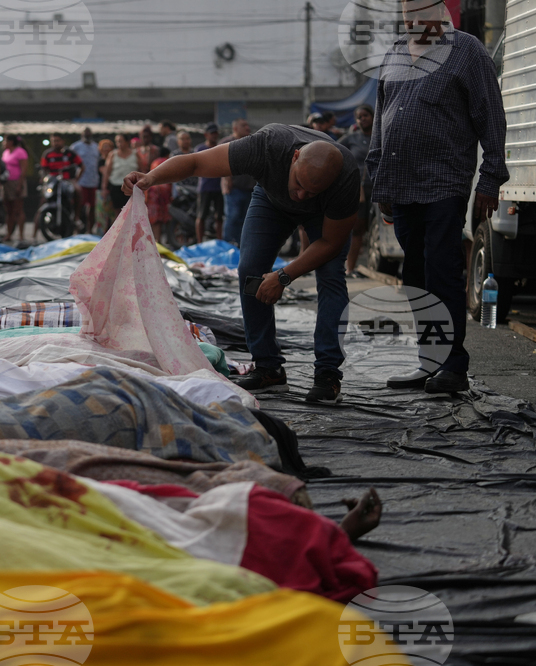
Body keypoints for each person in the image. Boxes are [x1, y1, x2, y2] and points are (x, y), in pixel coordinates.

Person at [125, 123, 361, 404]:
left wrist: (283, 276)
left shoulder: (345, 176)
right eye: (298, 184)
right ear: (294, 157)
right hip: (271, 201)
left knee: (331, 276)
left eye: (312, 192)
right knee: (250, 269)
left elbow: (331, 243)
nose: (301, 196)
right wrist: (151, 177)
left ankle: (327, 374)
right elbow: (195, 163)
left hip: (322, 216)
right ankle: (268, 366)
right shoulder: (266, 147)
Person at [368, 0, 509, 394]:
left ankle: (452, 366)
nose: (414, 19)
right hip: (400, 184)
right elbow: (381, 118)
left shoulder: (466, 51)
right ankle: (429, 362)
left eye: (422, 10)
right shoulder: (395, 52)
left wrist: (490, 179)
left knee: (442, 271)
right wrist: (379, 178)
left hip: (443, 183)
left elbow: (491, 117)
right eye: (407, 11)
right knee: (415, 276)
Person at [339, 105, 375, 276]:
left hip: (378, 190)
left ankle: (374, 265)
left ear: (373, 117)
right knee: (357, 229)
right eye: (359, 117)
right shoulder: (351, 138)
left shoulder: (380, 136)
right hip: (358, 191)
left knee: (375, 228)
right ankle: (350, 268)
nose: (362, 119)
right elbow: (334, 151)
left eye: (366, 115)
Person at [219, 118, 255, 245]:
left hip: (249, 189)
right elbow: (219, 163)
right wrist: (227, 179)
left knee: (246, 219)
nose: (247, 128)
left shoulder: (252, 142)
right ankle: (228, 244)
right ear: (235, 128)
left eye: (247, 125)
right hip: (233, 189)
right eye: (243, 125)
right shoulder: (227, 143)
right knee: (232, 216)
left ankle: (241, 245)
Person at [40, 133, 83, 237]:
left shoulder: (70, 153)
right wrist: (44, 179)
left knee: (78, 191)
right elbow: (43, 169)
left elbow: (82, 166)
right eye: (53, 141)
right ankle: (35, 230)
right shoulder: (47, 154)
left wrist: (76, 179)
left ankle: (76, 217)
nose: (55, 143)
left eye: (57, 141)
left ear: (63, 141)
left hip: (67, 180)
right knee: (43, 200)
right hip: (52, 182)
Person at [195, 122, 224, 243]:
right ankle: (199, 242)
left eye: (216, 133)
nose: (214, 135)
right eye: (212, 133)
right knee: (201, 215)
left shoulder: (221, 148)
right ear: (206, 135)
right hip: (205, 187)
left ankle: (220, 241)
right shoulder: (200, 149)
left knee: (219, 216)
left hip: (219, 187)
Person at [71, 127, 101, 232]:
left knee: (92, 207)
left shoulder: (96, 147)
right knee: (80, 206)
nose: (87, 135)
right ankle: (78, 229)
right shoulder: (75, 147)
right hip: (81, 181)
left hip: (94, 181)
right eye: (85, 134)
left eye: (89, 134)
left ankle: (90, 229)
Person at [1, 134, 29, 241]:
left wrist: (19, 185)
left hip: (17, 182)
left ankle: (21, 235)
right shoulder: (5, 152)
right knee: (9, 211)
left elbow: (24, 170)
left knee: (18, 210)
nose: (3, 143)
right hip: (6, 183)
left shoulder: (20, 152)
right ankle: (9, 234)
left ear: (11, 142)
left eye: (5, 141)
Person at [102, 133, 138, 214]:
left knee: (131, 211)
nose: (119, 144)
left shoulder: (135, 154)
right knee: (118, 212)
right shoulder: (112, 155)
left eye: (121, 141)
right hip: (115, 186)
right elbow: (107, 172)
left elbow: (142, 170)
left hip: (131, 187)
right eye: (117, 142)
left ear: (127, 142)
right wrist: (104, 188)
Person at [146, 147, 172, 243]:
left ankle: (155, 242)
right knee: (161, 219)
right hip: (162, 194)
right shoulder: (168, 161)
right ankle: (159, 242)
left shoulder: (154, 162)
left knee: (154, 220)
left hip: (152, 193)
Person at [96, 138, 115, 233]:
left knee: (112, 213)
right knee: (102, 213)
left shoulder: (115, 160)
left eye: (108, 147)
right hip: (102, 190)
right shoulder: (100, 161)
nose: (106, 149)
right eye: (104, 147)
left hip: (113, 189)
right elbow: (106, 172)